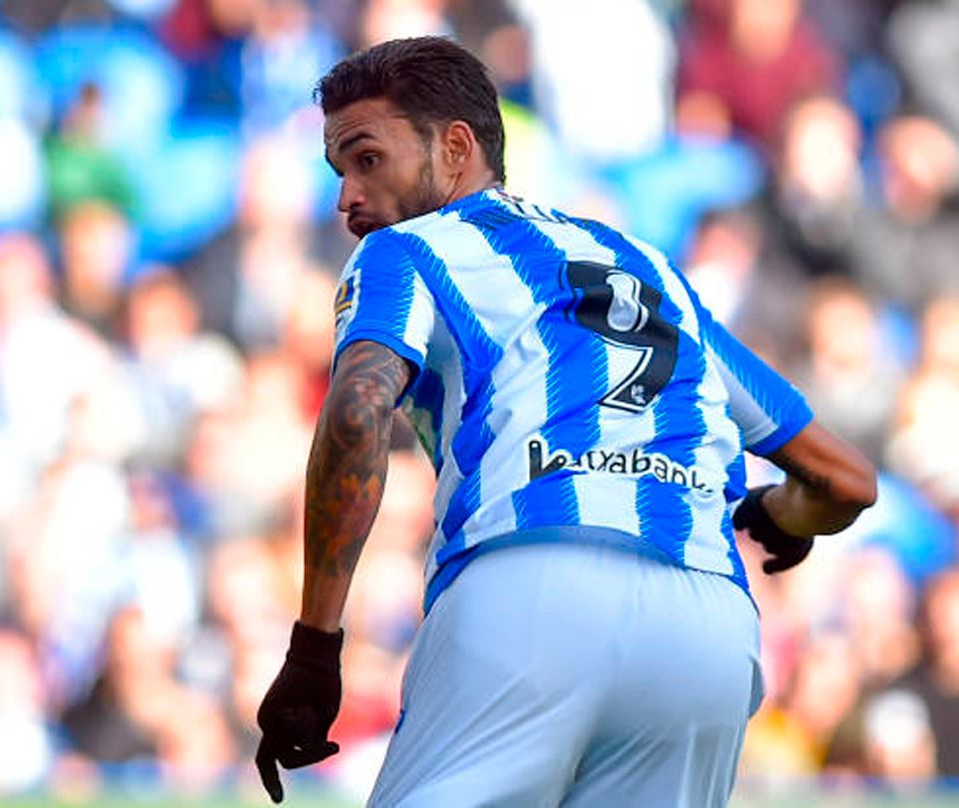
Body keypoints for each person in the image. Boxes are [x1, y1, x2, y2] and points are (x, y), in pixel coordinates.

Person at [254, 36, 877, 807]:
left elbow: (357, 408)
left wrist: (315, 644)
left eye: (367, 159)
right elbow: (846, 480)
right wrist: (784, 511)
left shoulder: (407, 251)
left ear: (455, 147)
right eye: (338, 171)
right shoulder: (649, 269)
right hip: (706, 626)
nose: (347, 196)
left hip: (529, 587)